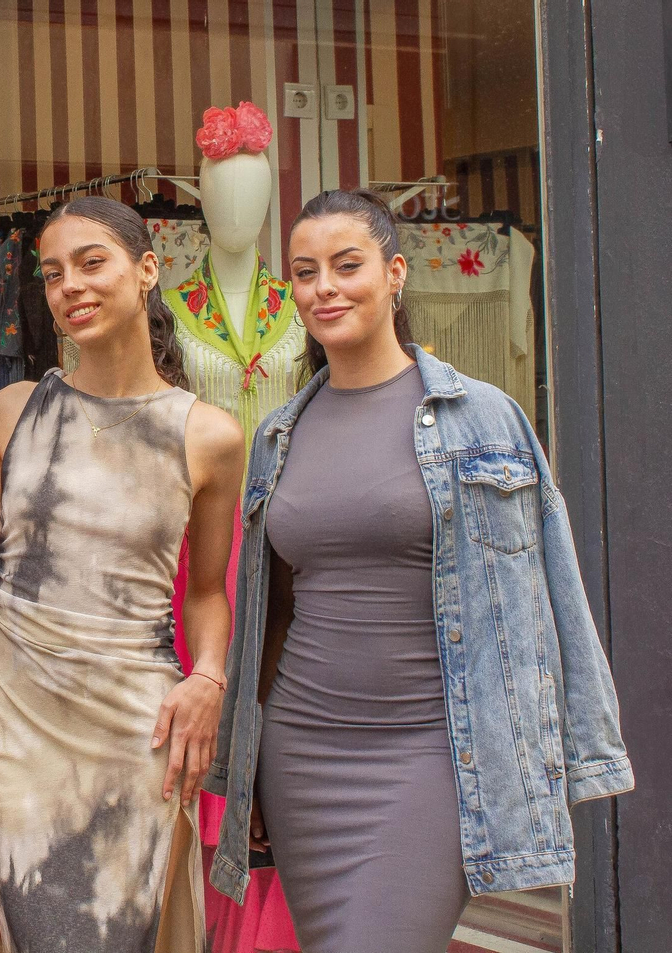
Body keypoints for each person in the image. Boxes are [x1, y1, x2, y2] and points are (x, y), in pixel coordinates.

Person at [205, 190, 634, 953]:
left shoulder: (485, 417)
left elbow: (552, 593)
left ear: (395, 273)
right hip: (302, 754)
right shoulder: (276, 436)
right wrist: (250, 760)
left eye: (347, 265)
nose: (324, 288)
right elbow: (273, 612)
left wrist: (580, 744)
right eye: (305, 272)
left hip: (433, 754)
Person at [0, 195, 244, 952]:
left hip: (138, 736)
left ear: (147, 269)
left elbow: (207, 592)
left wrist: (210, 676)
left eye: (91, 263)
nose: (70, 286)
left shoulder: (209, 435)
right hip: (17, 737)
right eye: (53, 274)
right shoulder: (14, 411)